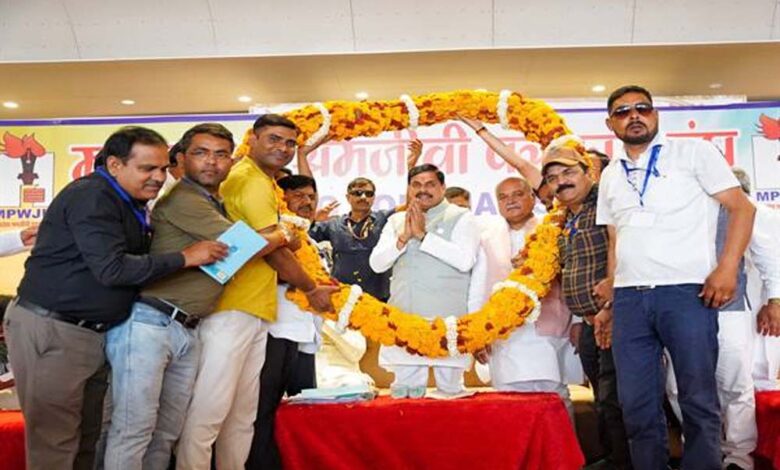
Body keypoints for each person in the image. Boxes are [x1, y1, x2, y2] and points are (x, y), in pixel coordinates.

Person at [3, 126, 225, 470]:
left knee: (87, 437)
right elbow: (112, 269)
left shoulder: (129, 201)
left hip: (92, 332)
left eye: (163, 168)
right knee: (56, 441)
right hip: (54, 327)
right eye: (147, 168)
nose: (158, 177)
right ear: (115, 165)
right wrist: (185, 257)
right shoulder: (93, 196)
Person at [597, 85, 756, 469]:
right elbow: (616, 240)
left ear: (655, 115)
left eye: (642, 108)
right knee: (636, 404)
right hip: (630, 299)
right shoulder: (610, 175)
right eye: (623, 112)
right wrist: (610, 303)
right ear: (610, 123)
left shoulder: (694, 152)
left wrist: (727, 268)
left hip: (685, 293)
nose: (634, 116)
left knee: (697, 398)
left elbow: (742, 209)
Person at [101, 124, 272, 469]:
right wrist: (286, 233)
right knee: (134, 430)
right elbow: (247, 246)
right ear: (180, 159)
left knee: (165, 433)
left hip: (185, 327)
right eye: (201, 153)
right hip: (151, 322)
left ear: (232, 161)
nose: (212, 162)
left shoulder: (213, 202)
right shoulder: (184, 199)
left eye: (221, 154)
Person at [176, 114, 337, 470]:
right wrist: (311, 288)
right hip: (231, 307)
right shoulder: (249, 180)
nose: (283, 148)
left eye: (290, 143)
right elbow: (271, 248)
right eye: (274, 139)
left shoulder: (261, 180)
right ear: (253, 140)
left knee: (242, 417)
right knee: (209, 412)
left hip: (254, 309)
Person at [665, 168, 780, 470]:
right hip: (680, 311)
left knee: (734, 384)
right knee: (678, 386)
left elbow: (769, 258)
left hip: (730, 309)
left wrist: (775, 300)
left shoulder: (742, 208)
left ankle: (739, 457)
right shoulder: (675, 209)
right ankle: (703, 451)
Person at [540, 142, 632, 469]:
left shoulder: (605, 203)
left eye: (568, 173)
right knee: (603, 397)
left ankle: (626, 462)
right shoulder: (565, 216)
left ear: (588, 172)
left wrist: (611, 303)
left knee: (618, 397)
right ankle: (612, 458)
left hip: (616, 315)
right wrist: (581, 320)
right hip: (589, 320)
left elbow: (623, 250)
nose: (561, 182)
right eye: (553, 178)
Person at [468, 175, 579, 418]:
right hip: (504, 332)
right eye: (503, 197)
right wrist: (476, 333)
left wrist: (579, 320)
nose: (511, 201)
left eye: (518, 194)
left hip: (548, 327)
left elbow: (573, 278)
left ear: (532, 198)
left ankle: (562, 445)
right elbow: (478, 287)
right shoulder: (487, 238)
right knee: (509, 400)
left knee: (554, 396)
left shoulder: (552, 231)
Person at [369, 164, 480, 397]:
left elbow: (464, 260)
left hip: (447, 321)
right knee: (406, 393)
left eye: (430, 184)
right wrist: (403, 238)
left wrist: (422, 236)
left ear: (442, 187)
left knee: (451, 393)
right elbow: (376, 264)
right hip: (405, 317)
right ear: (409, 188)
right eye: (416, 185)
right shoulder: (397, 221)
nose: (423, 190)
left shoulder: (462, 217)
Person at [245, 174, 325, 470]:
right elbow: (276, 272)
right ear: (281, 199)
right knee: (263, 411)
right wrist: (311, 287)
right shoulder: (276, 235)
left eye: (311, 197)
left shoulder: (307, 239)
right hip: (274, 331)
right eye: (299, 196)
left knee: (302, 414)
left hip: (304, 335)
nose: (307, 202)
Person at [308, 139, 422, 302]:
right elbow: (302, 236)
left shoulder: (383, 218)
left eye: (368, 194)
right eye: (357, 193)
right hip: (342, 297)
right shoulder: (333, 224)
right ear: (348, 197)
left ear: (374, 198)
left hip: (378, 297)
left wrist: (411, 168)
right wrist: (313, 218)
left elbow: (410, 206)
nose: (363, 197)